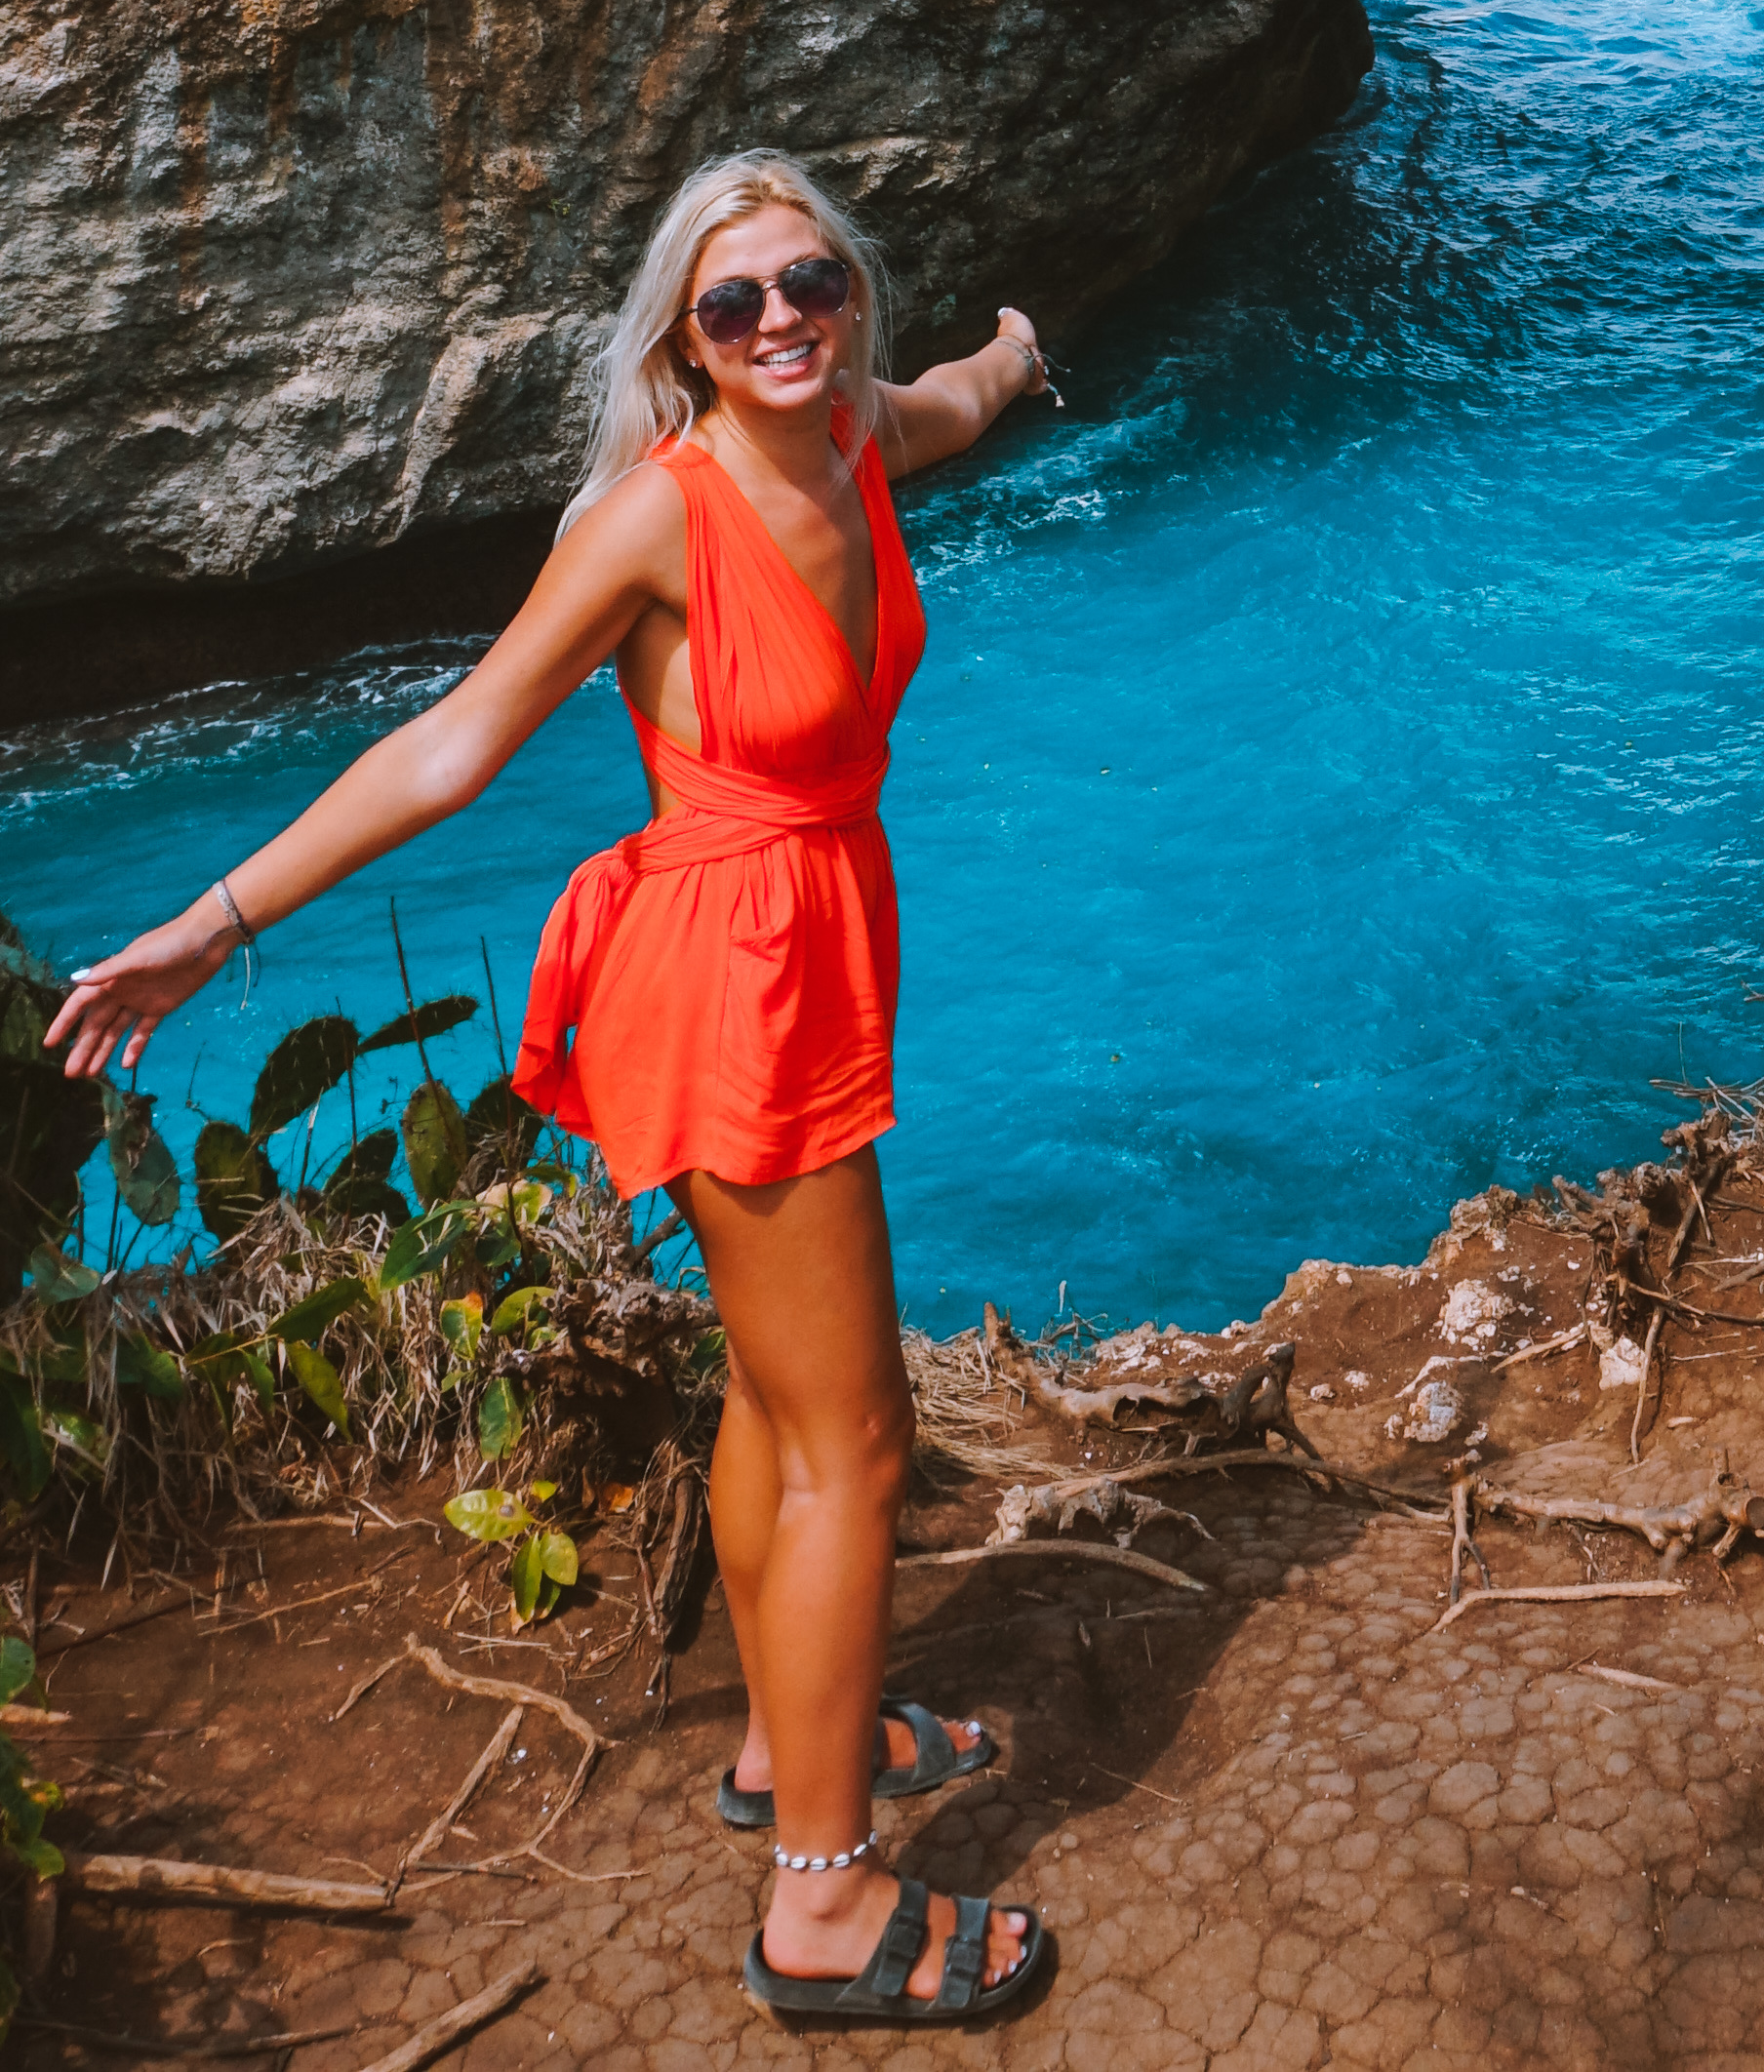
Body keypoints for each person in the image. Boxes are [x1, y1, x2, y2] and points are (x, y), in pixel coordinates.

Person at [51, 147, 1058, 2029]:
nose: (783, 323)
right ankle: (824, 1908)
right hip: (729, 974)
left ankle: (787, 1738)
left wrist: (1016, 349)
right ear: (683, 336)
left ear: (850, 294)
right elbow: (449, 745)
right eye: (736, 301)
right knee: (859, 1438)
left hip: (815, 937)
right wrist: (210, 923)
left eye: (811, 283)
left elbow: (963, 397)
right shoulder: (654, 520)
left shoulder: (858, 431)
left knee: (777, 1389)